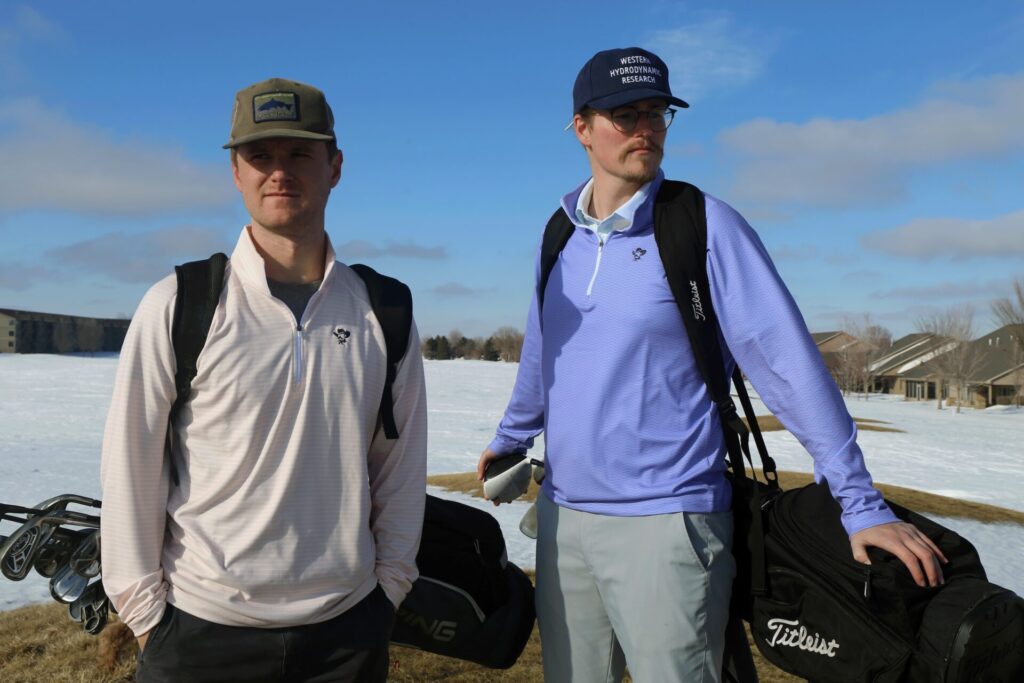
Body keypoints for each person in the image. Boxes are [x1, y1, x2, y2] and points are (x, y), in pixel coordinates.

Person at [477, 47, 946, 683]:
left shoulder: (703, 226)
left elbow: (788, 366)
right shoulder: (559, 234)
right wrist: (511, 437)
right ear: (582, 128)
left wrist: (858, 502)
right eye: (626, 115)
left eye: (657, 113)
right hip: (564, 519)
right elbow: (543, 353)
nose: (646, 128)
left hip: (670, 524)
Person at [101, 77, 427, 682]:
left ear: (335, 167)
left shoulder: (383, 310)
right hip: (199, 633)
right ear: (236, 172)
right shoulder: (180, 304)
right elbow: (130, 468)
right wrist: (147, 618)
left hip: (346, 636)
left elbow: (399, 468)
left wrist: (389, 591)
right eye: (260, 156)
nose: (279, 172)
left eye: (299, 153)